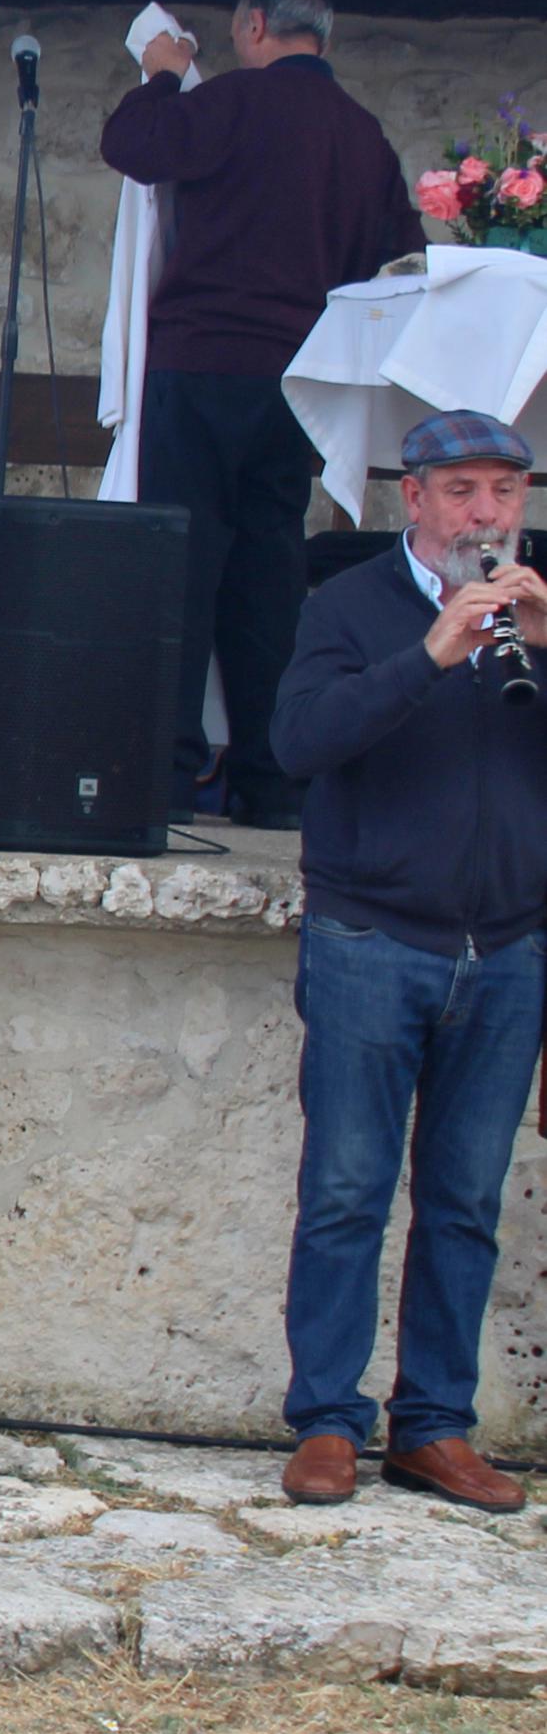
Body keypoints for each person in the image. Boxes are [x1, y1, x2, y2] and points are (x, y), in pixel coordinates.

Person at [261, 409, 547, 1515]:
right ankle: (326, 1419)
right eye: (462, 491)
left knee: (465, 1198)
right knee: (343, 1189)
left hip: (508, 948)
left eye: (504, 492)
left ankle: (432, 1425)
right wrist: (430, 654)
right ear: (412, 499)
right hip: (372, 939)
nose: (485, 513)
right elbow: (298, 742)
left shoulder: (533, 608)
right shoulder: (349, 606)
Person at [106, 0, 420, 829]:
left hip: (201, 362)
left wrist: (163, 72)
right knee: (268, 578)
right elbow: (404, 258)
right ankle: (268, 779)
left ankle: (166, 780)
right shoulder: (362, 137)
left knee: (182, 567)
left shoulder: (233, 103)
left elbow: (131, 143)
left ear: (251, 26)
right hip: (299, 384)